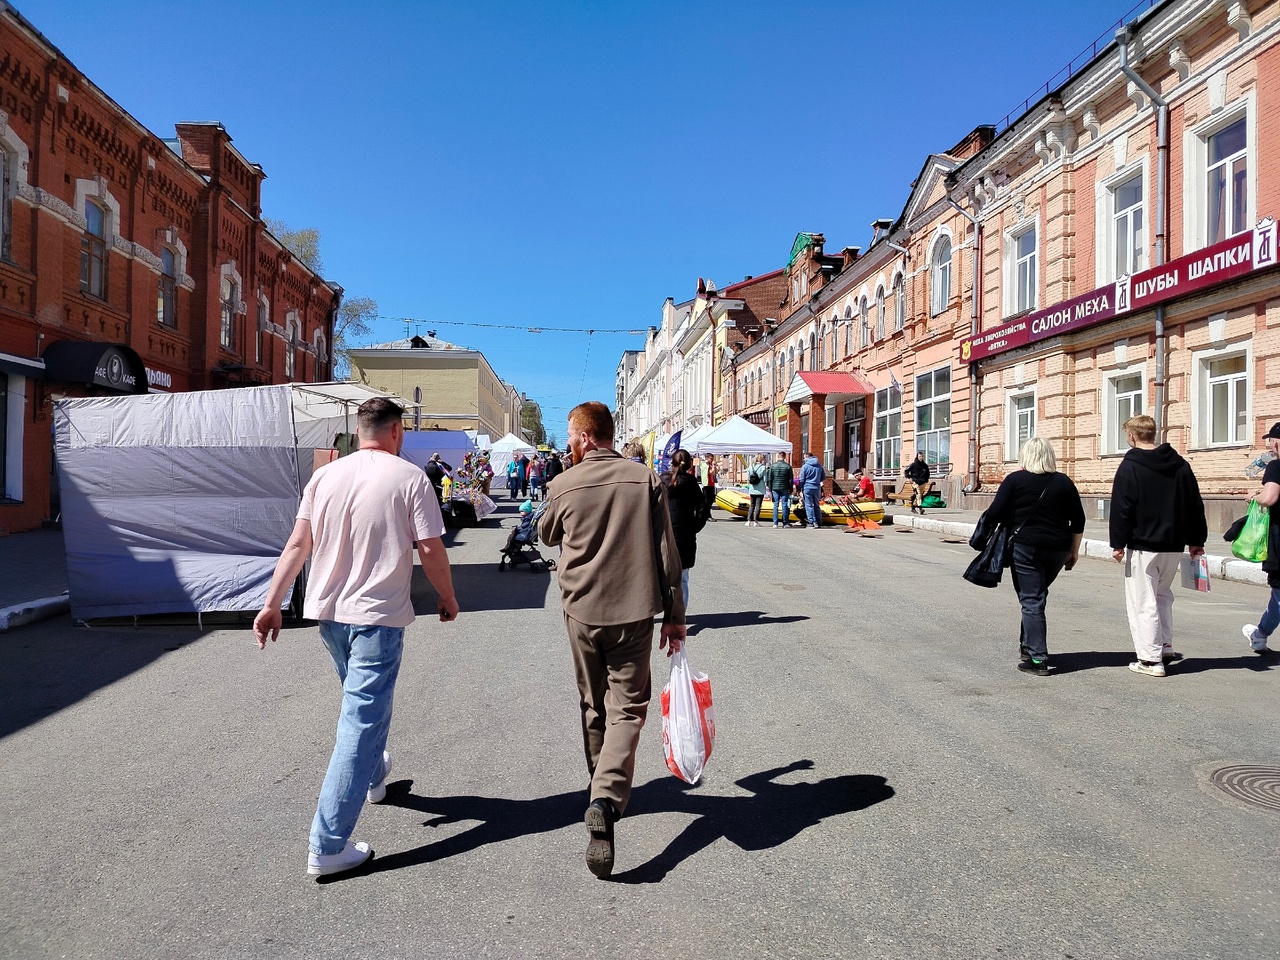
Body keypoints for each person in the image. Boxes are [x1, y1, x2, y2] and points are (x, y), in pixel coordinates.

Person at [252, 397, 459, 878]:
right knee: (360, 723)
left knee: (361, 707)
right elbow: (430, 548)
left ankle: (372, 775)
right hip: (377, 617)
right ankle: (327, 845)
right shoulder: (409, 478)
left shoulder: (325, 476)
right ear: (397, 432)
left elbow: (298, 543)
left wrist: (271, 603)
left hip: (329, 615)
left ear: (360, 430)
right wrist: (447, 597)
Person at [539, 401, 685, 879]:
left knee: (592, 704)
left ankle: (599, 788)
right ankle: (606, 795)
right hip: (635, 610)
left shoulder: (564, 483)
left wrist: (564, 483)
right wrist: (675, 615)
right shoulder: (644, 479)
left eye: (570, 437)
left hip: (581, 611)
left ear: (583, 438)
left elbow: (544, 533)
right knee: (629, 708)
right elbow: (668, 551)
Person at [1109, 414, 1208, 678]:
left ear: (1131, 436)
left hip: (1143, 545)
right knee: (1162, 595)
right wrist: (1197, 540)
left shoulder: (1130, 467)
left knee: (1143, 601)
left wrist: (1118, 543)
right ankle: (1164, 646)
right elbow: (1194, 505)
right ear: (1153, 434)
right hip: (1173, 545)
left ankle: (1150, 660)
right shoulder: (1180, 465)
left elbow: (1122, 508)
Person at [983, 437, 1086, 676]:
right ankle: (1027, 647)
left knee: (1031, 600)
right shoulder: (1064, 482)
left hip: (1025, 547)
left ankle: (1038, 659)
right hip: (1058, 549)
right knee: (1035, 596)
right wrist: (1074, 551)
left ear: (1025, 456)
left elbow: (995, 513)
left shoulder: (1015, 481)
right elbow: (1078, 520)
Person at [1242, 421, 1280, 655]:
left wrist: (1253, 497)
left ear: (1276, 442)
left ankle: (1260, 634)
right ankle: (1260, 634)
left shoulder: (1276, 466)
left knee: (1279, 595)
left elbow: (1270, 498)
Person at [667, 449, 708, 606]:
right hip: (685, 534)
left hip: (665, 533)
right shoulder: (691, 483)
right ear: (690, 464)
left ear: (672, 463)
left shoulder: (664, 480)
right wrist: (695, 526)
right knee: (683, 578)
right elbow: (703, 508)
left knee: (665, 576)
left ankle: (669, 613)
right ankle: (679, 617)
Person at [766, 452, 795, 527]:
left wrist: (770, 488)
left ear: (778, 456)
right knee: (784, 504)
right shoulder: (788, 466)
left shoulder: (772, 466)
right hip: (784, 487)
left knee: (775, 505)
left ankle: (775, 523)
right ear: (784, 457)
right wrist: (791, 489)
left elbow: (769, 478)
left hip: (775, 488)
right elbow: (790, 479)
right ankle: (785, 522)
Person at [799, 452, 826, 529]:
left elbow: (802, 479)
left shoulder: (805, 466)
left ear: (807, 457)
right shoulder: (819, 466)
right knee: (816, 505)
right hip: (817, 487)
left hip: (807, 487)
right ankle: (819, 521)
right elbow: (823, 477)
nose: (804, 459)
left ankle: (811, 522)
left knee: (808, 505)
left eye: (804, 458)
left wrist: (800, 488)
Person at [746, 454, 768, 526]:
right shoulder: (763, 468)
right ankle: (756, 521)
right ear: (761, 459)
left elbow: (748, 478)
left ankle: (748, 520)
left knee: (752, 505)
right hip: (760, 489)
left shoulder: (750, 467)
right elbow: (765, 479)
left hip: (752, 489)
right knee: (758, 505)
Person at [701, 457, 718, 521]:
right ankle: (707, 515)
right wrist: (713, 466)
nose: (712, 460)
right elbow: (710, 472)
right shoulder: (704, 465)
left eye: (713, 458)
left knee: (711, 500)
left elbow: (715, 472)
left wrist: (715, 466)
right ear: (707, 458)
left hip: (711, 484)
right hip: (706, 485)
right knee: (707, 501)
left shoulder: (710, 465)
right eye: (711, 458)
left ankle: (706, 514)